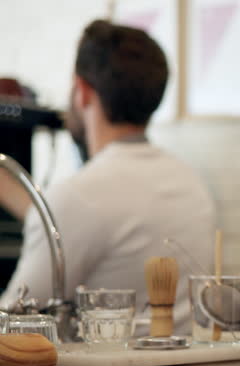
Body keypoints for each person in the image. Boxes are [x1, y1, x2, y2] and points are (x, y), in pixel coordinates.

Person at [0, 20, 215, 334]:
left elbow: (9, 328)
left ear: (83, 91)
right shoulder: (191, 184)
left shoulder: (80, 197)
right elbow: (85, 224)